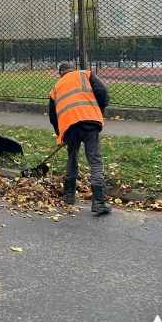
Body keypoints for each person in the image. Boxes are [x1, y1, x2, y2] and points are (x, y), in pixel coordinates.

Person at [48, 62, 111, 215]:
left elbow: (53, 116)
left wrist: (60, 133)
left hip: (69, 126)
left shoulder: (55, 88)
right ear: (73, 69)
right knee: (95, 160)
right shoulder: (85, 74)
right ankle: (99, 202)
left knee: (72, 158)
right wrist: (98, 109)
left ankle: (69, 196)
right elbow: (103, 91)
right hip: (89, 121)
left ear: (60, 73)